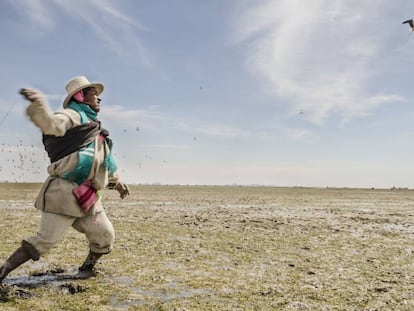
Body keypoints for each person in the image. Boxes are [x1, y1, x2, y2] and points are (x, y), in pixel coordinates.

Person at [0, 76, 130, 284]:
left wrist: (117, 182)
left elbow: (103, 160)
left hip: (87, 194)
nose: (99, 99)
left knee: (104, 235)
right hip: (63, 192)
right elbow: (52, 124)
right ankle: (3, 271)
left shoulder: (97, 130)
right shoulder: (72, 116)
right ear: (81, 97)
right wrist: (39, 105)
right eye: (94, 95)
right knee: (44, 241)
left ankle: (87, 269)